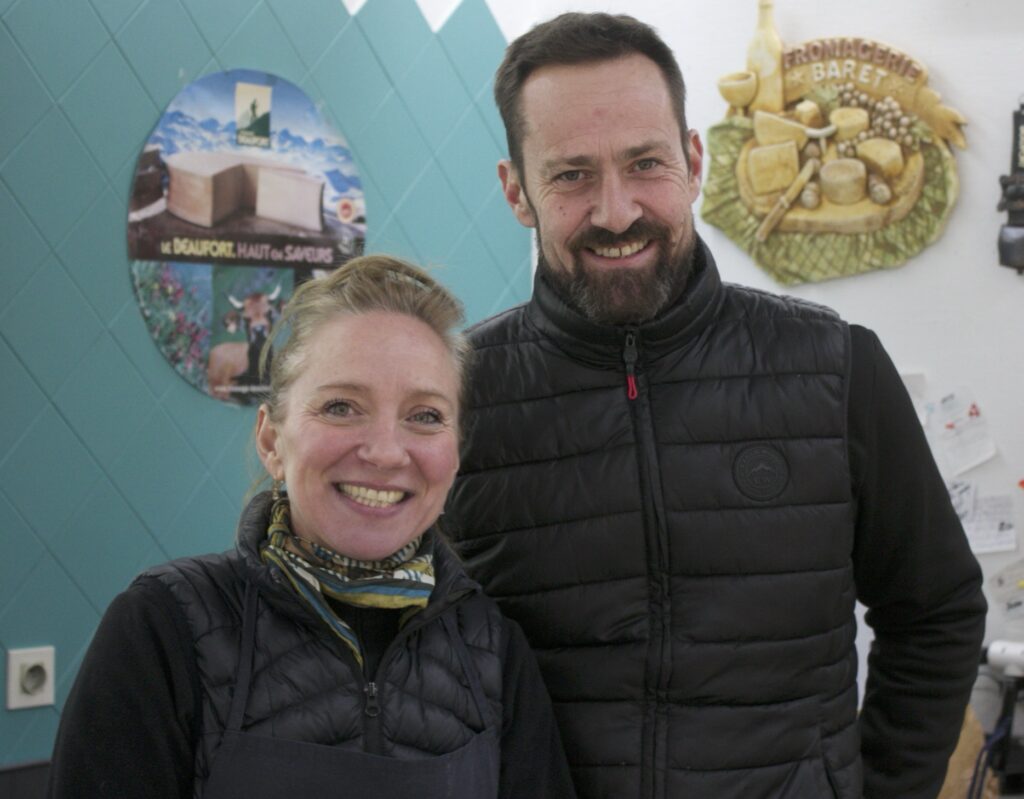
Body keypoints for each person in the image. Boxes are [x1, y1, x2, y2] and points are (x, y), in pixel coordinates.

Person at [444, 12, 986, 799]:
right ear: (515, 191)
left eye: (645, 163)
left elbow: (936, 607)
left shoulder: (836, 369)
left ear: (693, 162)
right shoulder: (455, 396)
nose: (617, 209)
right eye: (570, 175)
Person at [48, 255, 575, 799]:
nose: (386, 452)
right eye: (342, 406)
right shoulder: (163, 629)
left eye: (425, 415)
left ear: (456, 453)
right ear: (272, 441)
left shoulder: (494, 651)